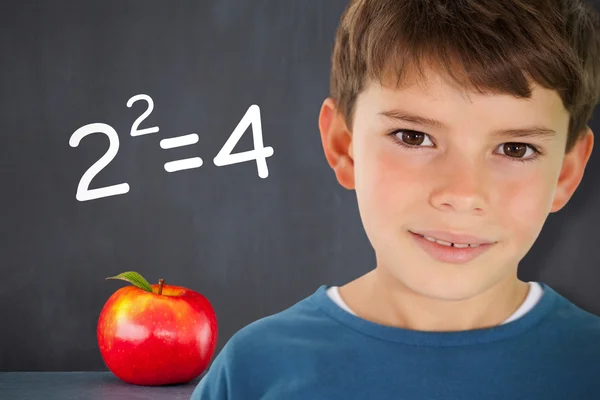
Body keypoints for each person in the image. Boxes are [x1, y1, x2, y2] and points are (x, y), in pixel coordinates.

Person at [190, 0, 600, 398]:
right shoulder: (255, 368)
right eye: (413, 137)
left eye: (515, 149)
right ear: (344, 147)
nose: (461, 194)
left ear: (566, 172)